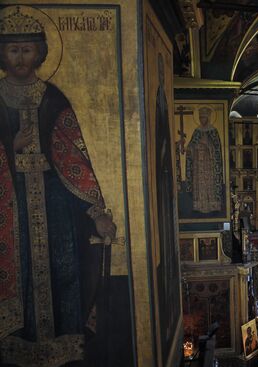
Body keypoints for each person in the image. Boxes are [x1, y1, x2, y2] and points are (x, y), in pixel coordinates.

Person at [0, 7, 119, 365]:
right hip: (10, 202)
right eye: (13, 49)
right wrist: (10, 147)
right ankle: (17, 346)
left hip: (56, 202)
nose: (21, 57)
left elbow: (74, 158)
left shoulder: (52, 97)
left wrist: (97, 212)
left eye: (27, 49)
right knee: (18, 275)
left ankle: (66, 349)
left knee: (64, 269)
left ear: (40, 53)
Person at [185, 106, 224, 213]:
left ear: (208, 118)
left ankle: (213, 206)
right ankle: (199, 206)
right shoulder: (196, 131)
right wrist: (191, 148)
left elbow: (217, 149)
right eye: (200, 117)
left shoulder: (213, 132)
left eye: (204, 117)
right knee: (199, 184)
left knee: (209, 184)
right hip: (198, 166)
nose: (202, 119)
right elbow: (192, 145)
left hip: (210, 165)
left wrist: (208, 145)